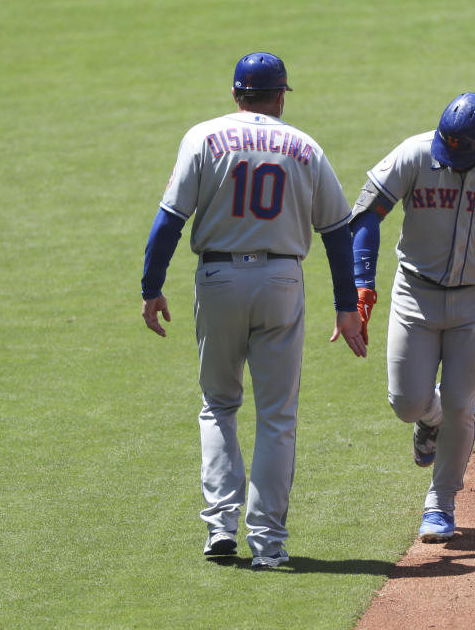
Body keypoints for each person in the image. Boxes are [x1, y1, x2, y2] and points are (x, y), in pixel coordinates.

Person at [140, 52, 366, 569]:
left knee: (219, 404)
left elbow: (169, 221)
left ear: (235, 94)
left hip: (218, 278)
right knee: (277, 416)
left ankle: (221, 527)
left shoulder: (203, 136)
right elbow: (336, 231)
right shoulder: (304, 146)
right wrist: (346, 306)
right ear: (281, 95)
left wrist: (152, 287)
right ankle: (268, 543)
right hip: (282, 280)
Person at [349, 92, 475, 541]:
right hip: (414, 294)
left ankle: (441, 504)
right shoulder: (415, 153)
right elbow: (365, 215)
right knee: (406, 404)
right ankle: (427, 418)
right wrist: (362, 282)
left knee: (462, 403)